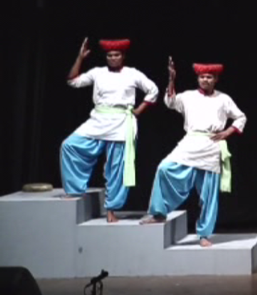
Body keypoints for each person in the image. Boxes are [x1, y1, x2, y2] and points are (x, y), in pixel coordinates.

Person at [140, 59, 246, 247]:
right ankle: (158, 213)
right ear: (198, 78)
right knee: (164, 168)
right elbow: (170, 102)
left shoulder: (223, 99)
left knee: (208, 195)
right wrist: (171, 79)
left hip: (211, 146)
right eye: (202, 76)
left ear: (216, 79)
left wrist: (228, 132)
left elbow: (240, 117)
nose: (205, 80)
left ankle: (204, 234)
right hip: (190, 143)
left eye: (209, 77)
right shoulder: (188, 96)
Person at [61, 38, 158, 223]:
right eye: (109, 55)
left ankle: (112, 209)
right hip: (98, 120)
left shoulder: (132, 73)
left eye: (116, 55)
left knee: (117, 168)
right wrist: (80, 58)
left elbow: (153, 90)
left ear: (123, 56)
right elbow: (73, 81)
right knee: (70, 146)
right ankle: (74, 190)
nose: (113, 58)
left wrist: (138, 111)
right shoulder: (98, 72)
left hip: (121, 123)